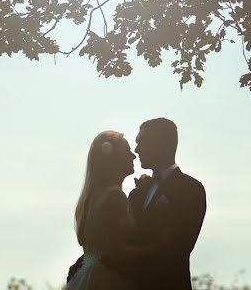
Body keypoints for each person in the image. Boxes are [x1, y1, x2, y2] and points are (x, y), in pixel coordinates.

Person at [66, 119, 207, 290]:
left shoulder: (190, 189)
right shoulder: (136, 194)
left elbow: (178, 248)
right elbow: (115, 241)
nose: (137, 150)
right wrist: (83, 265)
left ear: (162, 143)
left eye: (142, 142)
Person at [64, 130, 139, 290]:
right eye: (128, 151)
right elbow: (117, 253)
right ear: (114, 159)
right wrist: (159, 247)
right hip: (109, 279)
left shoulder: (90, 199)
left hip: (87, 277)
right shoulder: (115, 196)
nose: (133, 156)